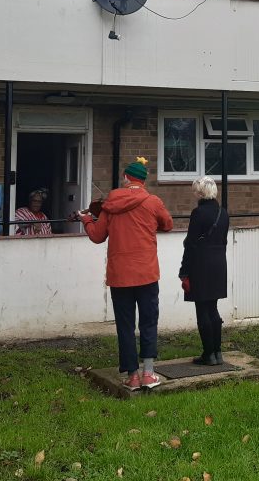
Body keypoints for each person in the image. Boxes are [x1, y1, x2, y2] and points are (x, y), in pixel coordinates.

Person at [78, 157, 173, 391]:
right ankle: (149, 373)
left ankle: (132, 376)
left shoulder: (110, 205)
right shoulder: (153, 202)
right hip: (147, 273)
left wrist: (87, 220)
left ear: (126, 178)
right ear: (142, 181)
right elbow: (168, 224)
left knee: (125, 325)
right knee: (149, 321)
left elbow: (98, 237)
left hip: (120, 276)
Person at [179, 176, 229, 366]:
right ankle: (217, 352)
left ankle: (208, 354)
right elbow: (222, 240)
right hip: (219, 264)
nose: (194, 194)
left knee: (202, 310)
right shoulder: (223, 213)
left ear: (200, 193)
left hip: (201, 265)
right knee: (213, 308)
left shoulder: (198, 213)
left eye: (195, 191)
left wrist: (184, 271)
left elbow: (191, 244)